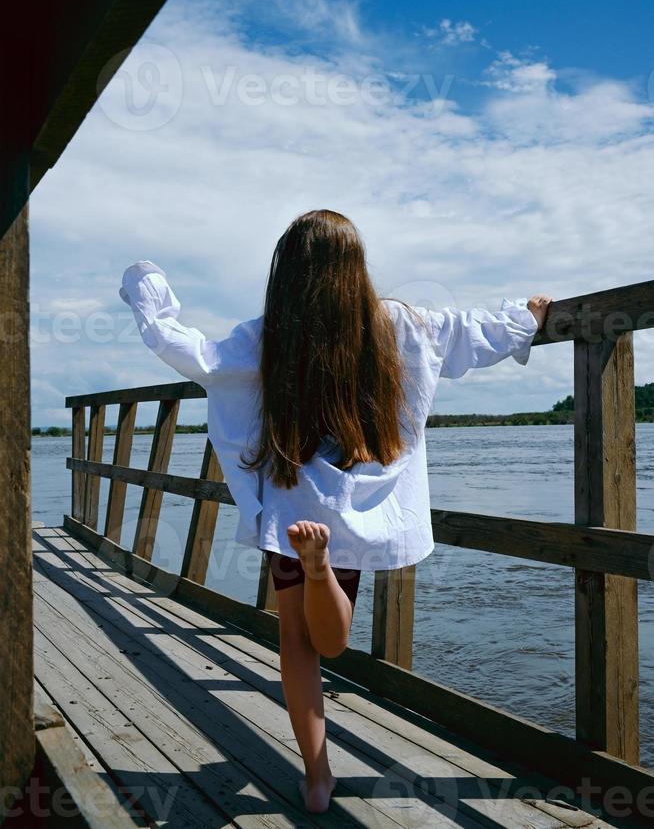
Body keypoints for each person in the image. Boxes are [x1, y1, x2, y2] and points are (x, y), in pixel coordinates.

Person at [119, 208, 552, 814]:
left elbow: (198, 356)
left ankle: (317, 778)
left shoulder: (269, 333)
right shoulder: (399, 323)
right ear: (356, 267)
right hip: (364, 502)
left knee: (297, 641)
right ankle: (326, 572)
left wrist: (148, 295)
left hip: (298, 500)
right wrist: (524, 317)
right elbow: (467, 335)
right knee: (335, 640)